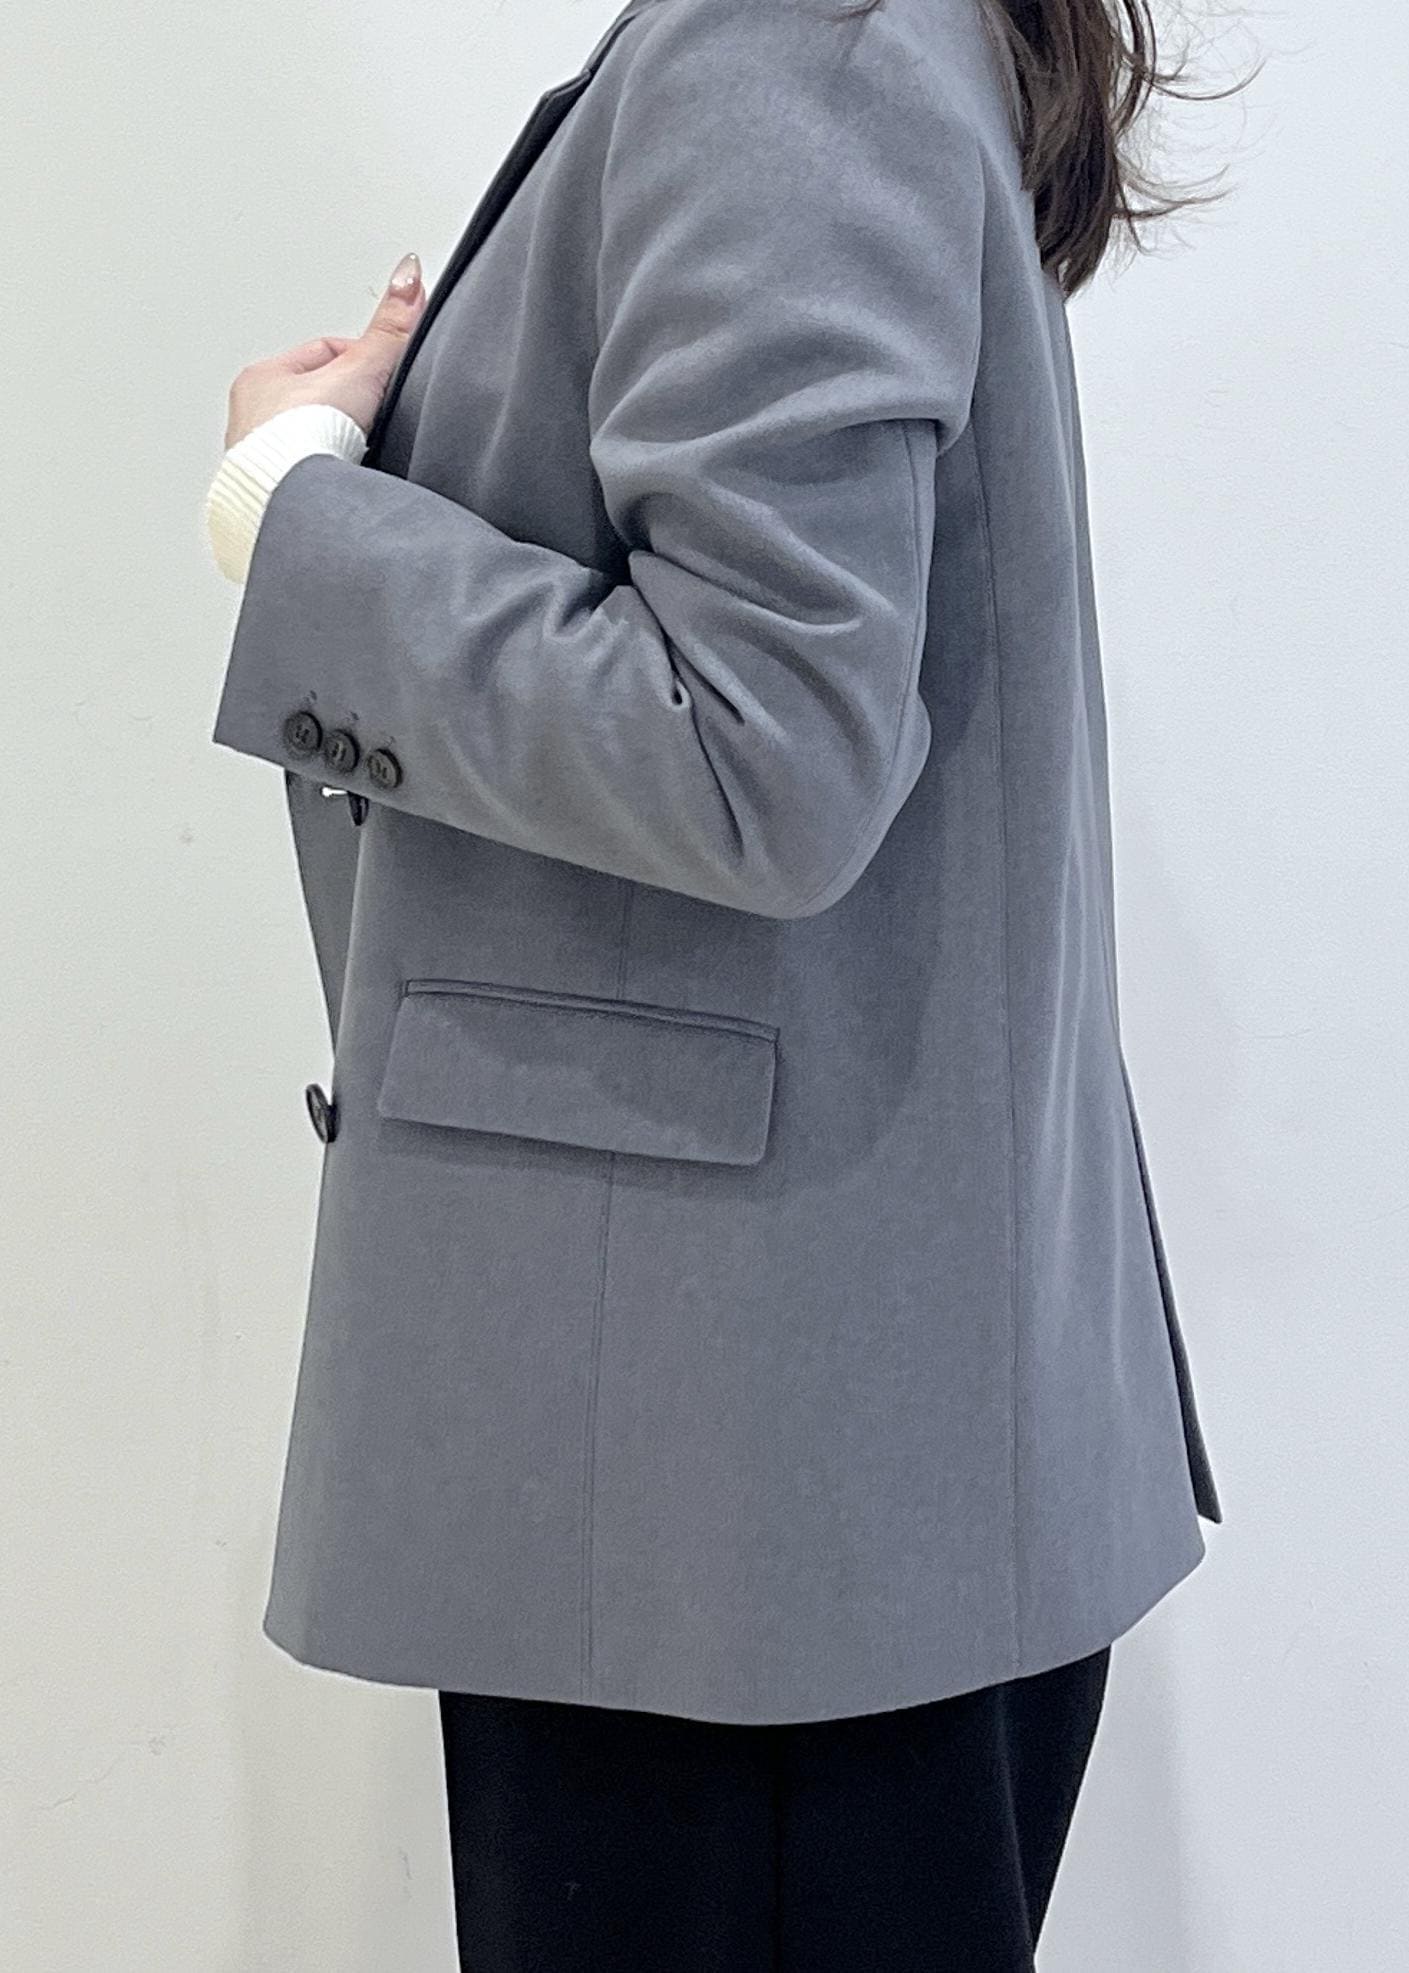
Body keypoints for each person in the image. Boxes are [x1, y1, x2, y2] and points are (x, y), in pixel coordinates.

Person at [202, 0, 1236, 1963]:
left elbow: (762, 752)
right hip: (781, 1486)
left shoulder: (791, 52)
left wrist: (298, 518)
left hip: (734, 1541)